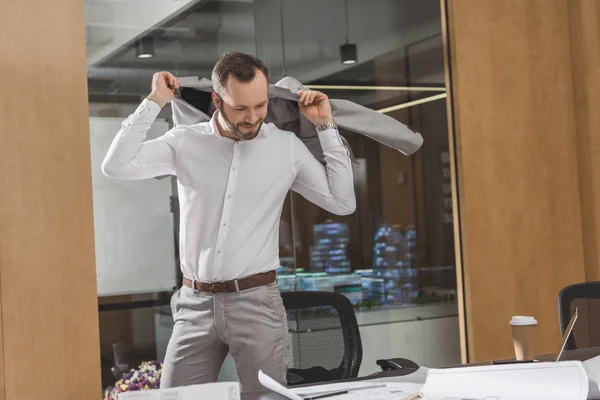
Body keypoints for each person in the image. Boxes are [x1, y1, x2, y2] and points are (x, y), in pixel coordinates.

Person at [101, 51, 356, 391]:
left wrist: (324, 125)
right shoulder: (185, 143)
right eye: (241, 108)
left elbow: (342, 202)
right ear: (217, 100)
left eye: (260, 106)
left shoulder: (285, 148)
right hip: (195, 304)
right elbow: (116, 165)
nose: (253, 117)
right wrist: (154, 102)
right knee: (177, 399)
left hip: (257, 302)